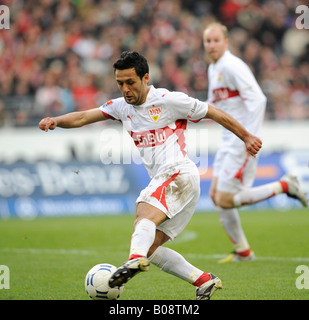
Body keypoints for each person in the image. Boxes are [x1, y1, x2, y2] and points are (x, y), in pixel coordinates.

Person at [39, 51, 262, 300]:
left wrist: (246, 136)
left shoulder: (168, 100)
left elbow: (212, 111)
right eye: (120, 83)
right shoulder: (121, 107)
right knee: (151, 248)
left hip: (178, 173)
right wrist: (56, 120)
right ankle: (203, 281)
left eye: (130, 82)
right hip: (177, 184)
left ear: (145, 78)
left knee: (142, 217)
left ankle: (133, 261)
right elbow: (82, 117)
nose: (125, 89)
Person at [203, 22, 308, 263]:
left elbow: (258, 99)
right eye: (208, 41)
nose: (211, 45)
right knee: (215, 196)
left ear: (226, 42)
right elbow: (215, 105)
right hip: (227, 139)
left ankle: (284, 186)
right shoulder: (214, 68)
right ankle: (243, 252)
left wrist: (249, 137)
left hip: (241, 140)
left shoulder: (232, 66)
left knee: (226, 199)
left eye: (216, 40)